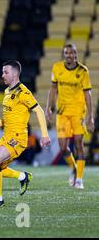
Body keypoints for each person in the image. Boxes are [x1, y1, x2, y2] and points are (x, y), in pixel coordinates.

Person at [0, 60, 51, 207]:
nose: (2, 75)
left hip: (17, 139)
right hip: (6, 136)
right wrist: (0, 123)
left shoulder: (23, 92)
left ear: (15, 74)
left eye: (5, 72)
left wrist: (44, 134)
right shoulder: (7, 91)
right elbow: (11, 114)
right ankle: (23, 176)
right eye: (2, 72)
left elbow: (38, 110)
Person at [45, 44, 94, 189]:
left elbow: (88, 94)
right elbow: (53, 89)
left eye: (71, 53)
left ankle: (79, 179)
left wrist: (90, 116)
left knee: (79, 143)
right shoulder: (57, 68)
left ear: (76, 55)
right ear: (63, 54)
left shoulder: (83, 71)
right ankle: (73, 169)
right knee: (63, 148)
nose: (69, 55)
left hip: (78, 112)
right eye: (66, 53)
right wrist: (48, 108)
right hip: (62, 112)